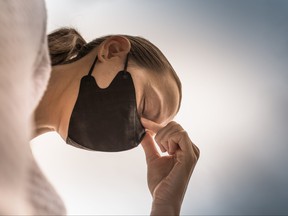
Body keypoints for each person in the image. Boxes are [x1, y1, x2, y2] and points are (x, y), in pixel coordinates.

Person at [0, 1, 199, 215]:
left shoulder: (32, 202)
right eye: (145, 106)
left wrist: (166, 204)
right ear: (112, 51)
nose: (137, 130)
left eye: (146, 133)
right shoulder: (18, 18)